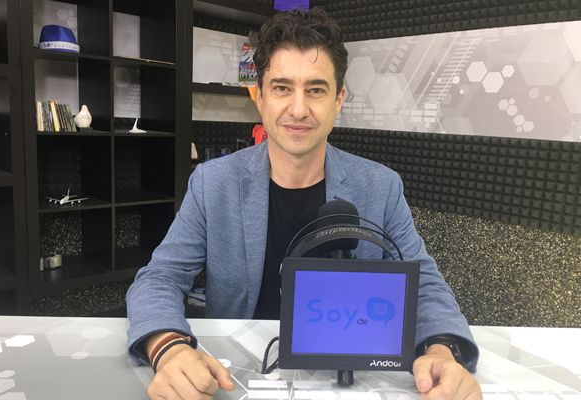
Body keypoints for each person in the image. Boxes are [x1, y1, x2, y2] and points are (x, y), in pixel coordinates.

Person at [127, 7, 482, 400]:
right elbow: (159, 279)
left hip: (346, 378)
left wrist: (441, 349)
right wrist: (169, 348)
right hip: (238, 374)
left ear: (338, 99)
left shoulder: (380, 186)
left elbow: (425, 284)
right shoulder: (213, 183)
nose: (298, 109)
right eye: (282, 88)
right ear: (259, 96)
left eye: (315, 90)